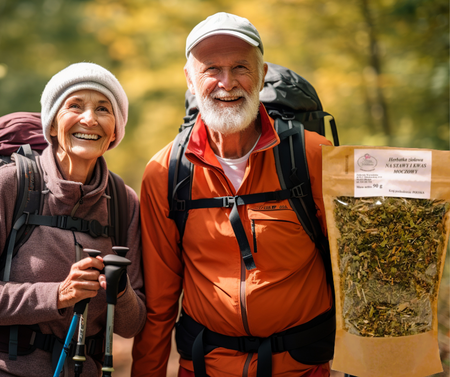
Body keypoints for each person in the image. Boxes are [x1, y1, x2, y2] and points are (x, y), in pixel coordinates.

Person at [132, 12, 334, 377]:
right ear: (190, 80)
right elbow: (159, 302)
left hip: (301, 367)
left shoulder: (312, 156)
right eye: (211, 69)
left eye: (240, 66)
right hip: (205, 366)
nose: (227, 83)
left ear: (261, 73)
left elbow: (356, 274)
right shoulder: (165, 172)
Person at [0, 62, 146, 376]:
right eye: (75, 105)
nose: (89, 119)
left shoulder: (124, 202)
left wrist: (119, 293)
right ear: (52, 124)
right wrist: (58, 294)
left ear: (115, 132)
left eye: (103, 109)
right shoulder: (10, 186)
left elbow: (133, 325)